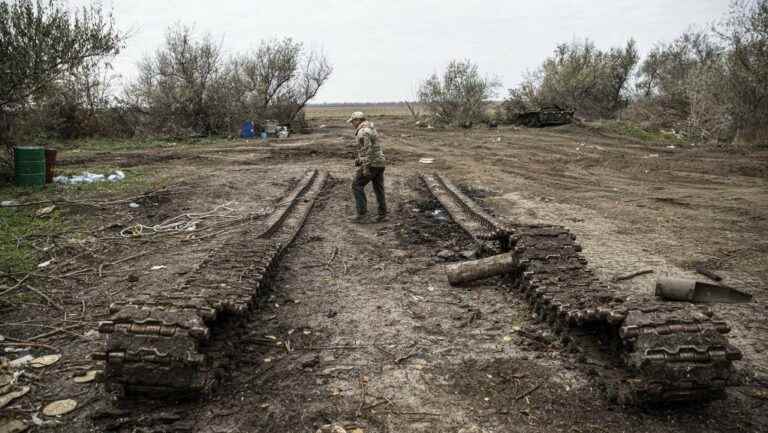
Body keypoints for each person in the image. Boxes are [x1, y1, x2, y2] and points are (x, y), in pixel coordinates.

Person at [347, 111, 387, 223]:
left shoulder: (363, 132)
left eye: (353, 121)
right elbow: (372, 148)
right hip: (380, 162)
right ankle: (382, 214)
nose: (352, 124)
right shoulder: (371, 127)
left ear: (358, 120)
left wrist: (365, 167)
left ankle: (362, 215)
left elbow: (367, 150)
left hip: (372, 164)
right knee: (379, 188)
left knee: (356, 185)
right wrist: (359, 160)